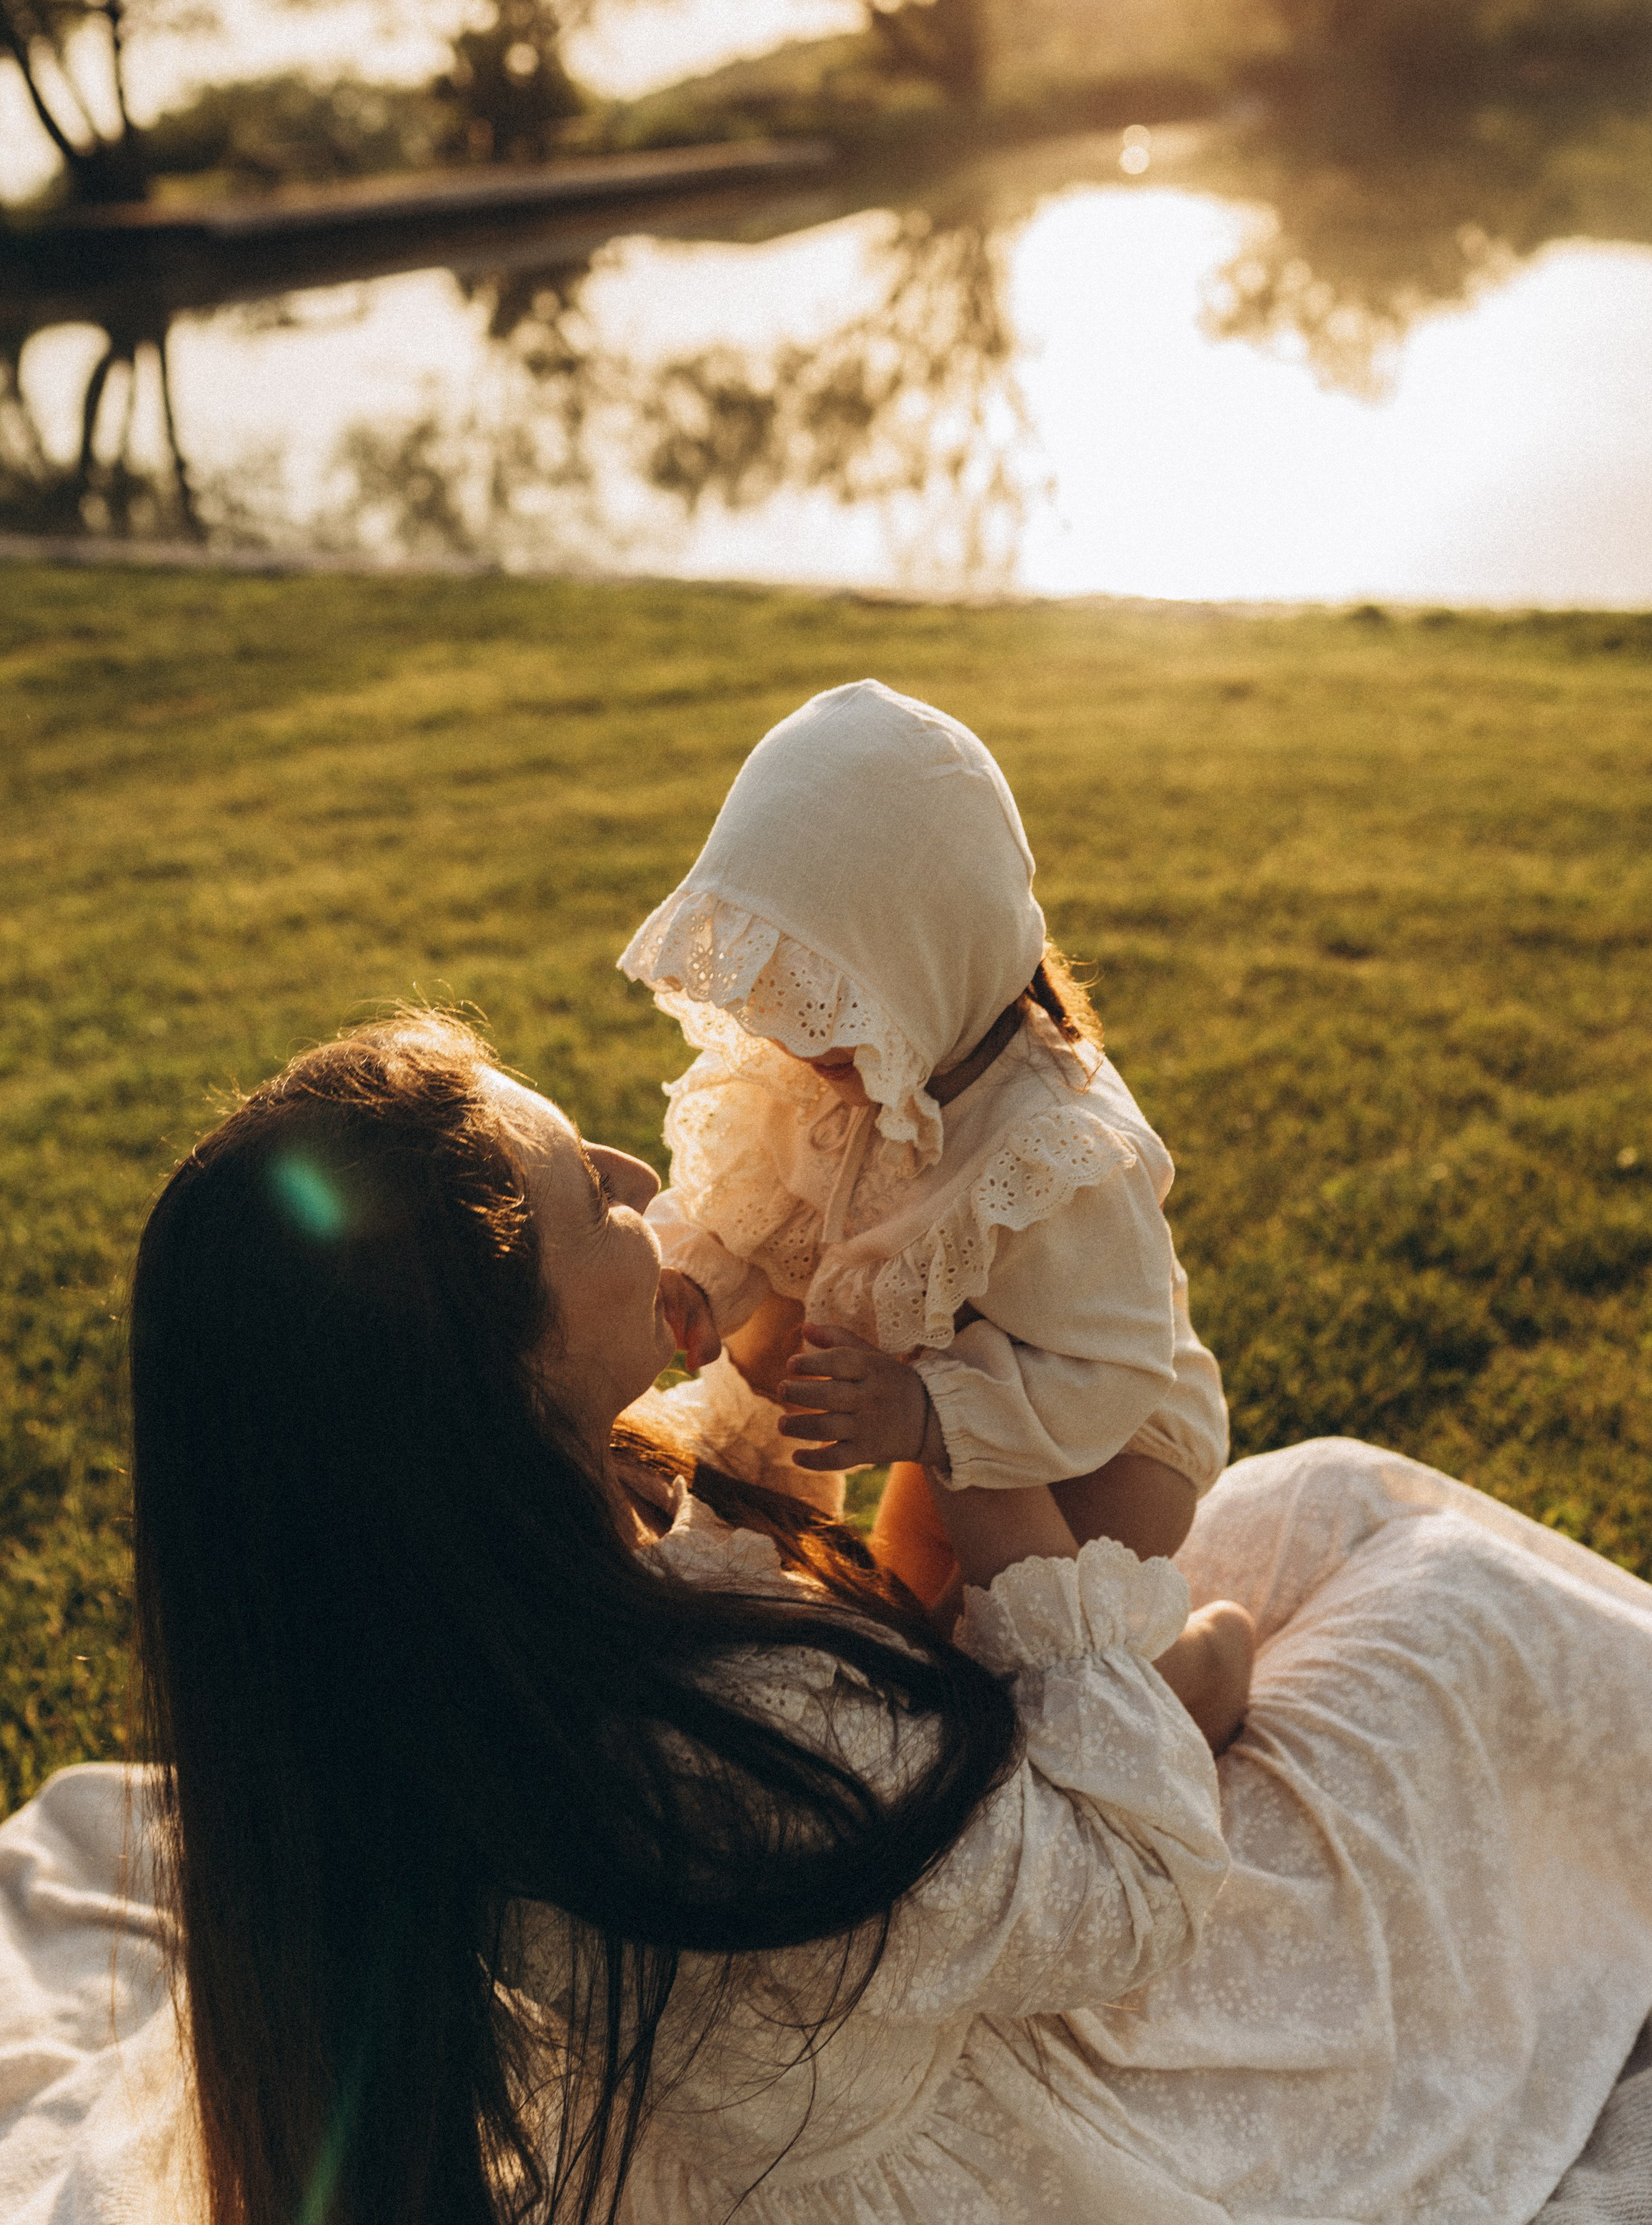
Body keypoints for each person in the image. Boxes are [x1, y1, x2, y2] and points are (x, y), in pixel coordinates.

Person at [116, 1007, 1652, 2225]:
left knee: (1309, 1498)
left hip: (902, 1928)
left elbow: (753, 1542)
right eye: (591, 1189)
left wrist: (807, 1316)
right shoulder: (705, 1746)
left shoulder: (460, 1607)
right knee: (1452, 1612)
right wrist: (966, 1432)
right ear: (485, 1375)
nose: (643, 1181)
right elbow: (1118, 1891)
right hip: (1013, 2125)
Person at [617, 678, 1229, 1648]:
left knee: (1030, 1663)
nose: (795, 1028)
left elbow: (1111, 1366)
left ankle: (1204, 1661)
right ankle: (876, 1554)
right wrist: (697, 1273)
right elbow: (755, 1209)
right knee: (903, 1624)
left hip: (1108, 1446)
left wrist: (926, 1415)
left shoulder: (1053, 1146)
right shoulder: (821, 1071)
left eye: (832, 996)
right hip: (950, 1411)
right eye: (783, 989)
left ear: (938, 956)